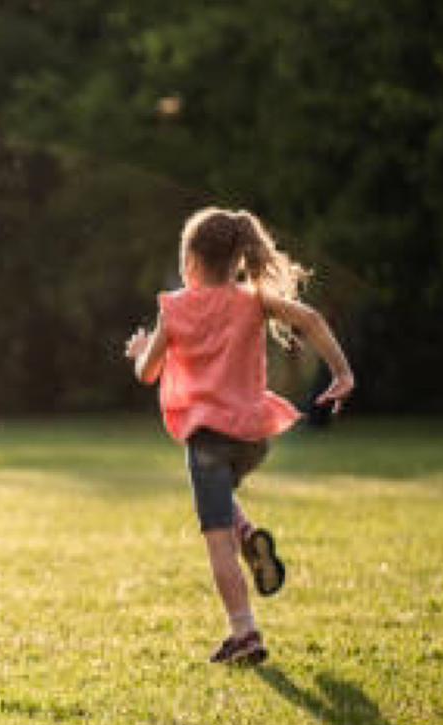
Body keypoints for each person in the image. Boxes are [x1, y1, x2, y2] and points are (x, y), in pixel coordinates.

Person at [125, 207, 354, 665]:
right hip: (253, 435)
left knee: (216, 540)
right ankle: (249, 536)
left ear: (190, 261)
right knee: (222, 500)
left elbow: (147, 372)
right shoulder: (254, 299)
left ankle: (244, 632)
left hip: (207, 438)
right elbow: (309, 318)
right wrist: (342, 372)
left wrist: (138, 350)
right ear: (238, 261)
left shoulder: (175, 308)